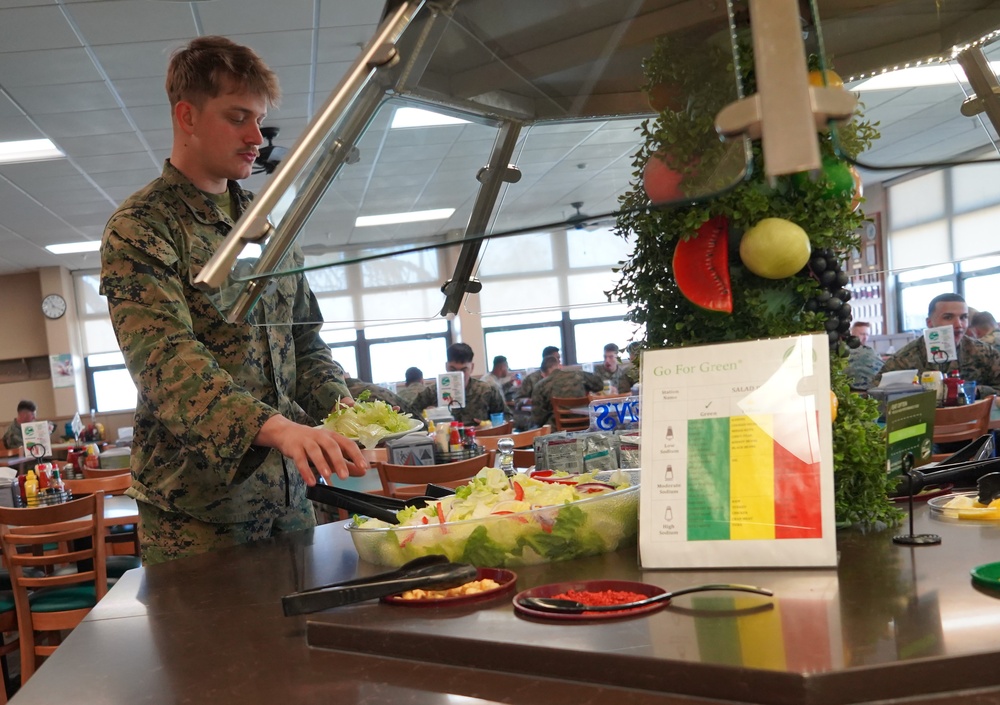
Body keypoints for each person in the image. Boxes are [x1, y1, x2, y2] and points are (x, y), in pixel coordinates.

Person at [100, 36, 367, 566]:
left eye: (260, 122)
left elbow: (304, 340)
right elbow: (166, 363)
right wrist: (279, 429)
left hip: (292, 499)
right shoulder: (141, 228)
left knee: (300, 648)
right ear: (188, 116)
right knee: (215, 651)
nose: (255, 138)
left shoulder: (267, 225)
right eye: (238, 117)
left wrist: (340, 409)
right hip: (197, 516)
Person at [876, 293, 1000, 397]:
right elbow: (876, 394)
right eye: (948, 317)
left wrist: (976, 391)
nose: (959, 324)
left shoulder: (984, 352)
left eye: (963, 317)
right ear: (929, 323)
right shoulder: (905, 358)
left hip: (978, 422)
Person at [412, 343, 506, 425]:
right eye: (452, 370)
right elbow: (411, 418)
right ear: (446, 366)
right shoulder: (431, 392)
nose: (457, 375)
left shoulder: (487, 390)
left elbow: (507, 417)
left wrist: (488, 425)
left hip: (481, 439)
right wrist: (426, 415)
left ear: (472, 368)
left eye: (463, 370)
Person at [530, 355, 603, 428]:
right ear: (558, 366)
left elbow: (537, 418)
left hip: (558, 429)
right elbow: (599, 385)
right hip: (585, 425)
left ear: (543, 374)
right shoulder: (578, 374)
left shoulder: (540, 385)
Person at [844, 321, 883, 391]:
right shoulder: (870, 352)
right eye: (862, 334)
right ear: (852, 334)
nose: (865, 337)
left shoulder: (842, 351)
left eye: (867, 335)